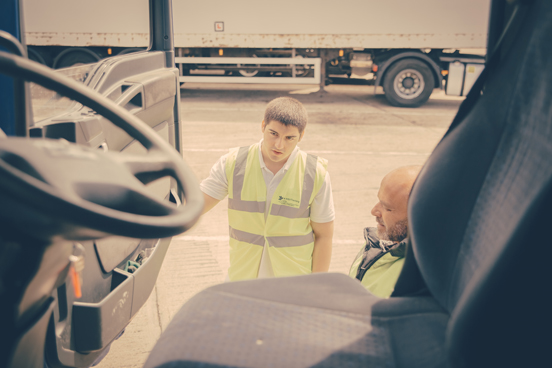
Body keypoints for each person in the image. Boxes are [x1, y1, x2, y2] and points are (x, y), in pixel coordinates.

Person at [201, 97, 335, 281]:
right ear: (263, 126)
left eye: (289, 138)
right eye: (273, 133)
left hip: (292, 283)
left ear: (301, 136)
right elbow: (197, 205)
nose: (279, 145)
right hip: (243, 278)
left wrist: (316, 287)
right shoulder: (233, 163)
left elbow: (324, 236)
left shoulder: (315, 173)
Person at [349, 165, 421, 297]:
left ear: (417, 216)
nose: (374, 211)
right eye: (379, 200)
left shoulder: (418, 277)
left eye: (387, 208)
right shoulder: (378, 242)